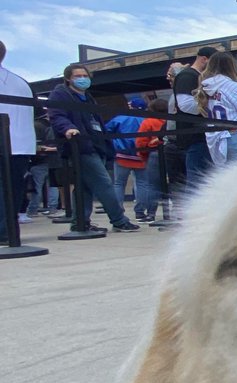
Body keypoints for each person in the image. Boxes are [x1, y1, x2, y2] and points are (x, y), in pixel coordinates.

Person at [46, 63, 139, 233]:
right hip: (81, 146)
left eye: (85, 76)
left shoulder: (87, 97)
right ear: (68, 78)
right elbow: (57, 115)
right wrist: (68, 129)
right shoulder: (61, 94)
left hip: (96, 145)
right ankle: (119, 220)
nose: (82, 79)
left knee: (85, 187)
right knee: (104, 184)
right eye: (77, 76)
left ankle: (80, 221)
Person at [194, 51, 237, 165]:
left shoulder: (206, 87)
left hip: (215, 139)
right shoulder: (235, 88)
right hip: (236, 136)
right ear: (231, 66)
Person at [0, 40, 38, 236]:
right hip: (21, 145)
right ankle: (7, 230)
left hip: (7, 141)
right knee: (13, 189)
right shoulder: (20, 82)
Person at [174, 47, 215, 188]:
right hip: (195, 137)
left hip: (202, 136)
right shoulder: (188, 76)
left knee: (202, 180)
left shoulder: (196, 76)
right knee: (197, 181)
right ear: (204, 59)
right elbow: (185, 105)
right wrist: (211, 106)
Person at [106, 96, 150, 220]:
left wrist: (114, 144)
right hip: (141, 155)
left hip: (122, 154)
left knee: (119, 184)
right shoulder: (146, 120)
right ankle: (140, 212)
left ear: (131, 106)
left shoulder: (120, 118)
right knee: (142, 184)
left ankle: (118, 212)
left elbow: (105, 131)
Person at [135, 98, 169, 222]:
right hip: (171, 151)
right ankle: (171, 214)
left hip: (154, 153)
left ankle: (150, 214)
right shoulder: (171, 120)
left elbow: (140, 142)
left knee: (152, 185)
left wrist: (144, 151)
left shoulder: (148, 121)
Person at [27, 114, 62, 216]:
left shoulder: (36, 125)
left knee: (37, 187)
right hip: (53, 161)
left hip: (39, 161)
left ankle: (32, 209)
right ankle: (53, 208)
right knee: (52, 186)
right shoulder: (55, 127)